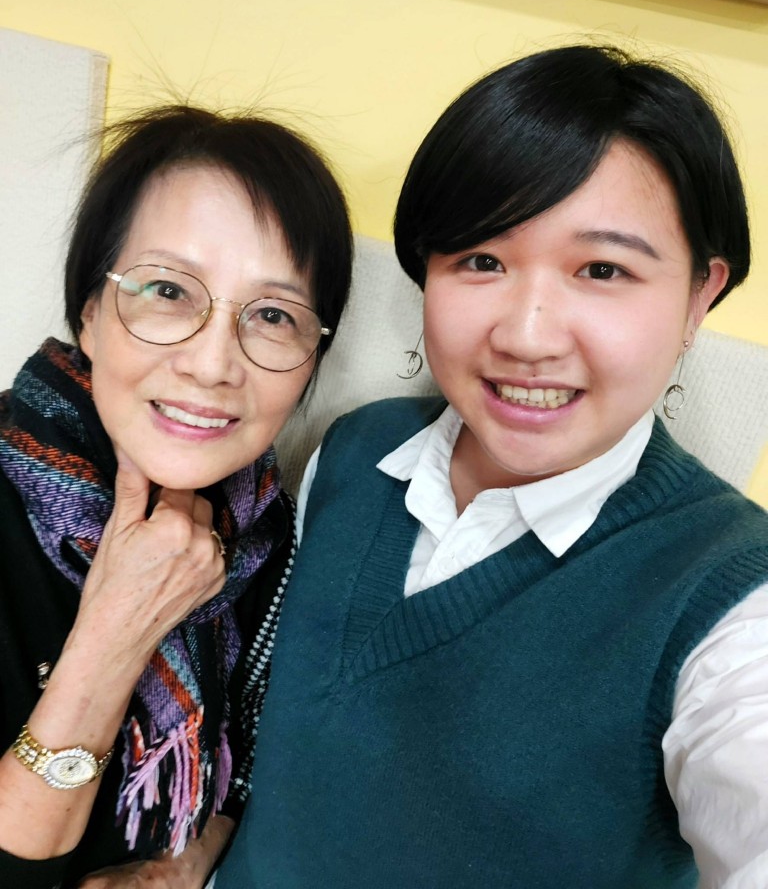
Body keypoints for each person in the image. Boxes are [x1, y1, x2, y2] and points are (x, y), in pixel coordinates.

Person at [219, 45, 768, 889]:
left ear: (700, 295)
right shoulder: (355, 451)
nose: (526, 335)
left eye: (603, 269)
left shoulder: (728, 600)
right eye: (481, 260)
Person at [0, 104, 353, 888]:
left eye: (272, 315)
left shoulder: (270, 532)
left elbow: (256, 772)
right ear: (91, 313)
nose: (212, 363)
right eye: (167, 290)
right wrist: (117, 630)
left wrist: (184, 862)